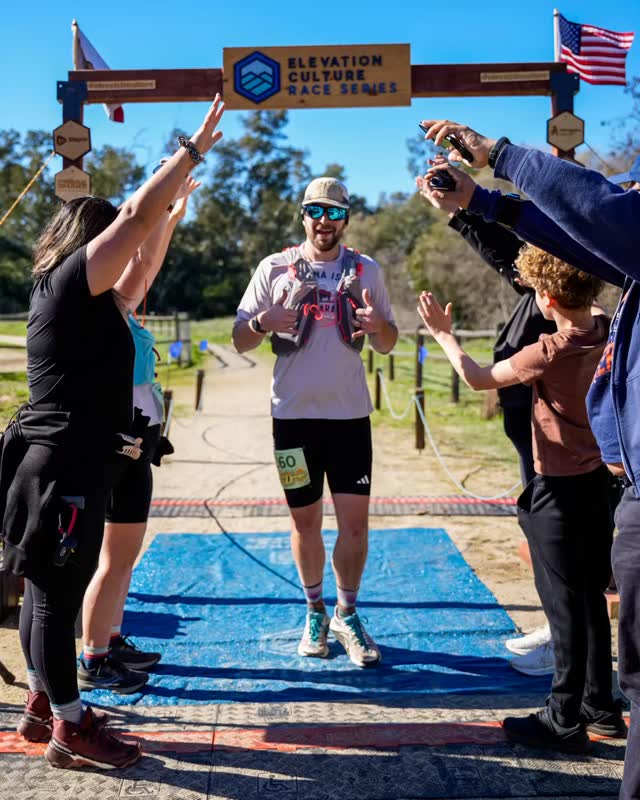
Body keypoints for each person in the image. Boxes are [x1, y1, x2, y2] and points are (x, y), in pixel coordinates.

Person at [1, 95, 224, 770]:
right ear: (85, 245)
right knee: (54, 595)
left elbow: (142, 264)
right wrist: (190, 150)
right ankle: (72, 722)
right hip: (60, 467)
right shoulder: (69, 283)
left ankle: (47, 702)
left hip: (72, 464)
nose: (121, 258)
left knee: (48, 594)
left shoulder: (90, 302)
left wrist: (173, 208)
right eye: (110, 245)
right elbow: (133, 218)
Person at [420, 120, 639, 777]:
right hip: (603, 484)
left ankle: (565, 712)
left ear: (542, 295)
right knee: (592, 600)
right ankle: (600, 702)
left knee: (564, 601)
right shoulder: (604, 324)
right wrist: (476, 207)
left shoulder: (548, 348)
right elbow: (568, 234)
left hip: (558, 487)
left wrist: (442, 336)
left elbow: (483, 377)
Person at [233, 177, 397, 667]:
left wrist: (378, 326)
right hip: (293, 419)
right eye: (315, 211)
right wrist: (264, 322)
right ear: (303, 216)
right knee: (305, 522)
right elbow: (241, 338)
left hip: (349, 419)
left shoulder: (366, 270)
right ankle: (314, 611)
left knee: (354, 527)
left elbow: (388, 341)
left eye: (334, 212)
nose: (324, 221)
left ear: (346, 218)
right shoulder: (274, 268)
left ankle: (347, 614)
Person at [416, 161, 556, 676]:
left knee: (551, 539)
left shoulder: (559, 317)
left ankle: (564, 647)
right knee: (542, 534)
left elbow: (477, 376)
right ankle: (557, 630)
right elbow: (515, 263)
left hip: (552, 442)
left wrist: (442, 335)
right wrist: (460, 213)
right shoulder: (546, 291)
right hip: (533, 435)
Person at [78, 174, 200, 693]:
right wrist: (159, 214)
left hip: (136, 445)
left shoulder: (120, 308)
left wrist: (170, 219)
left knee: (125, 555)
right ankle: (93, 658)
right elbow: (141, 260)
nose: (129, 262)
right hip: (110, 446)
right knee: (109, 559)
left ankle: (111, 639)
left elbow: (148, 262)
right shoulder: (96, 308)